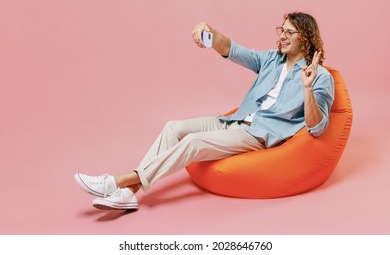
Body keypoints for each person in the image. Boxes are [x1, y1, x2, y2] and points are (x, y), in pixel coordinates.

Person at [74, 12, 334, 210]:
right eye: (282, 30)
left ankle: (116, 182)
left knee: (193, 142)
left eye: (289, 32)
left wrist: (307, 87)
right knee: (173, 127)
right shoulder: (270, 59)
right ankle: (129, 194)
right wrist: (207, 30)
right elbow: (232, 49)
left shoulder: (320, 76)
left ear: (306, 37)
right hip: (234, 121)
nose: (282, 36)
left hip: (258, 134)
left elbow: (317, 126)